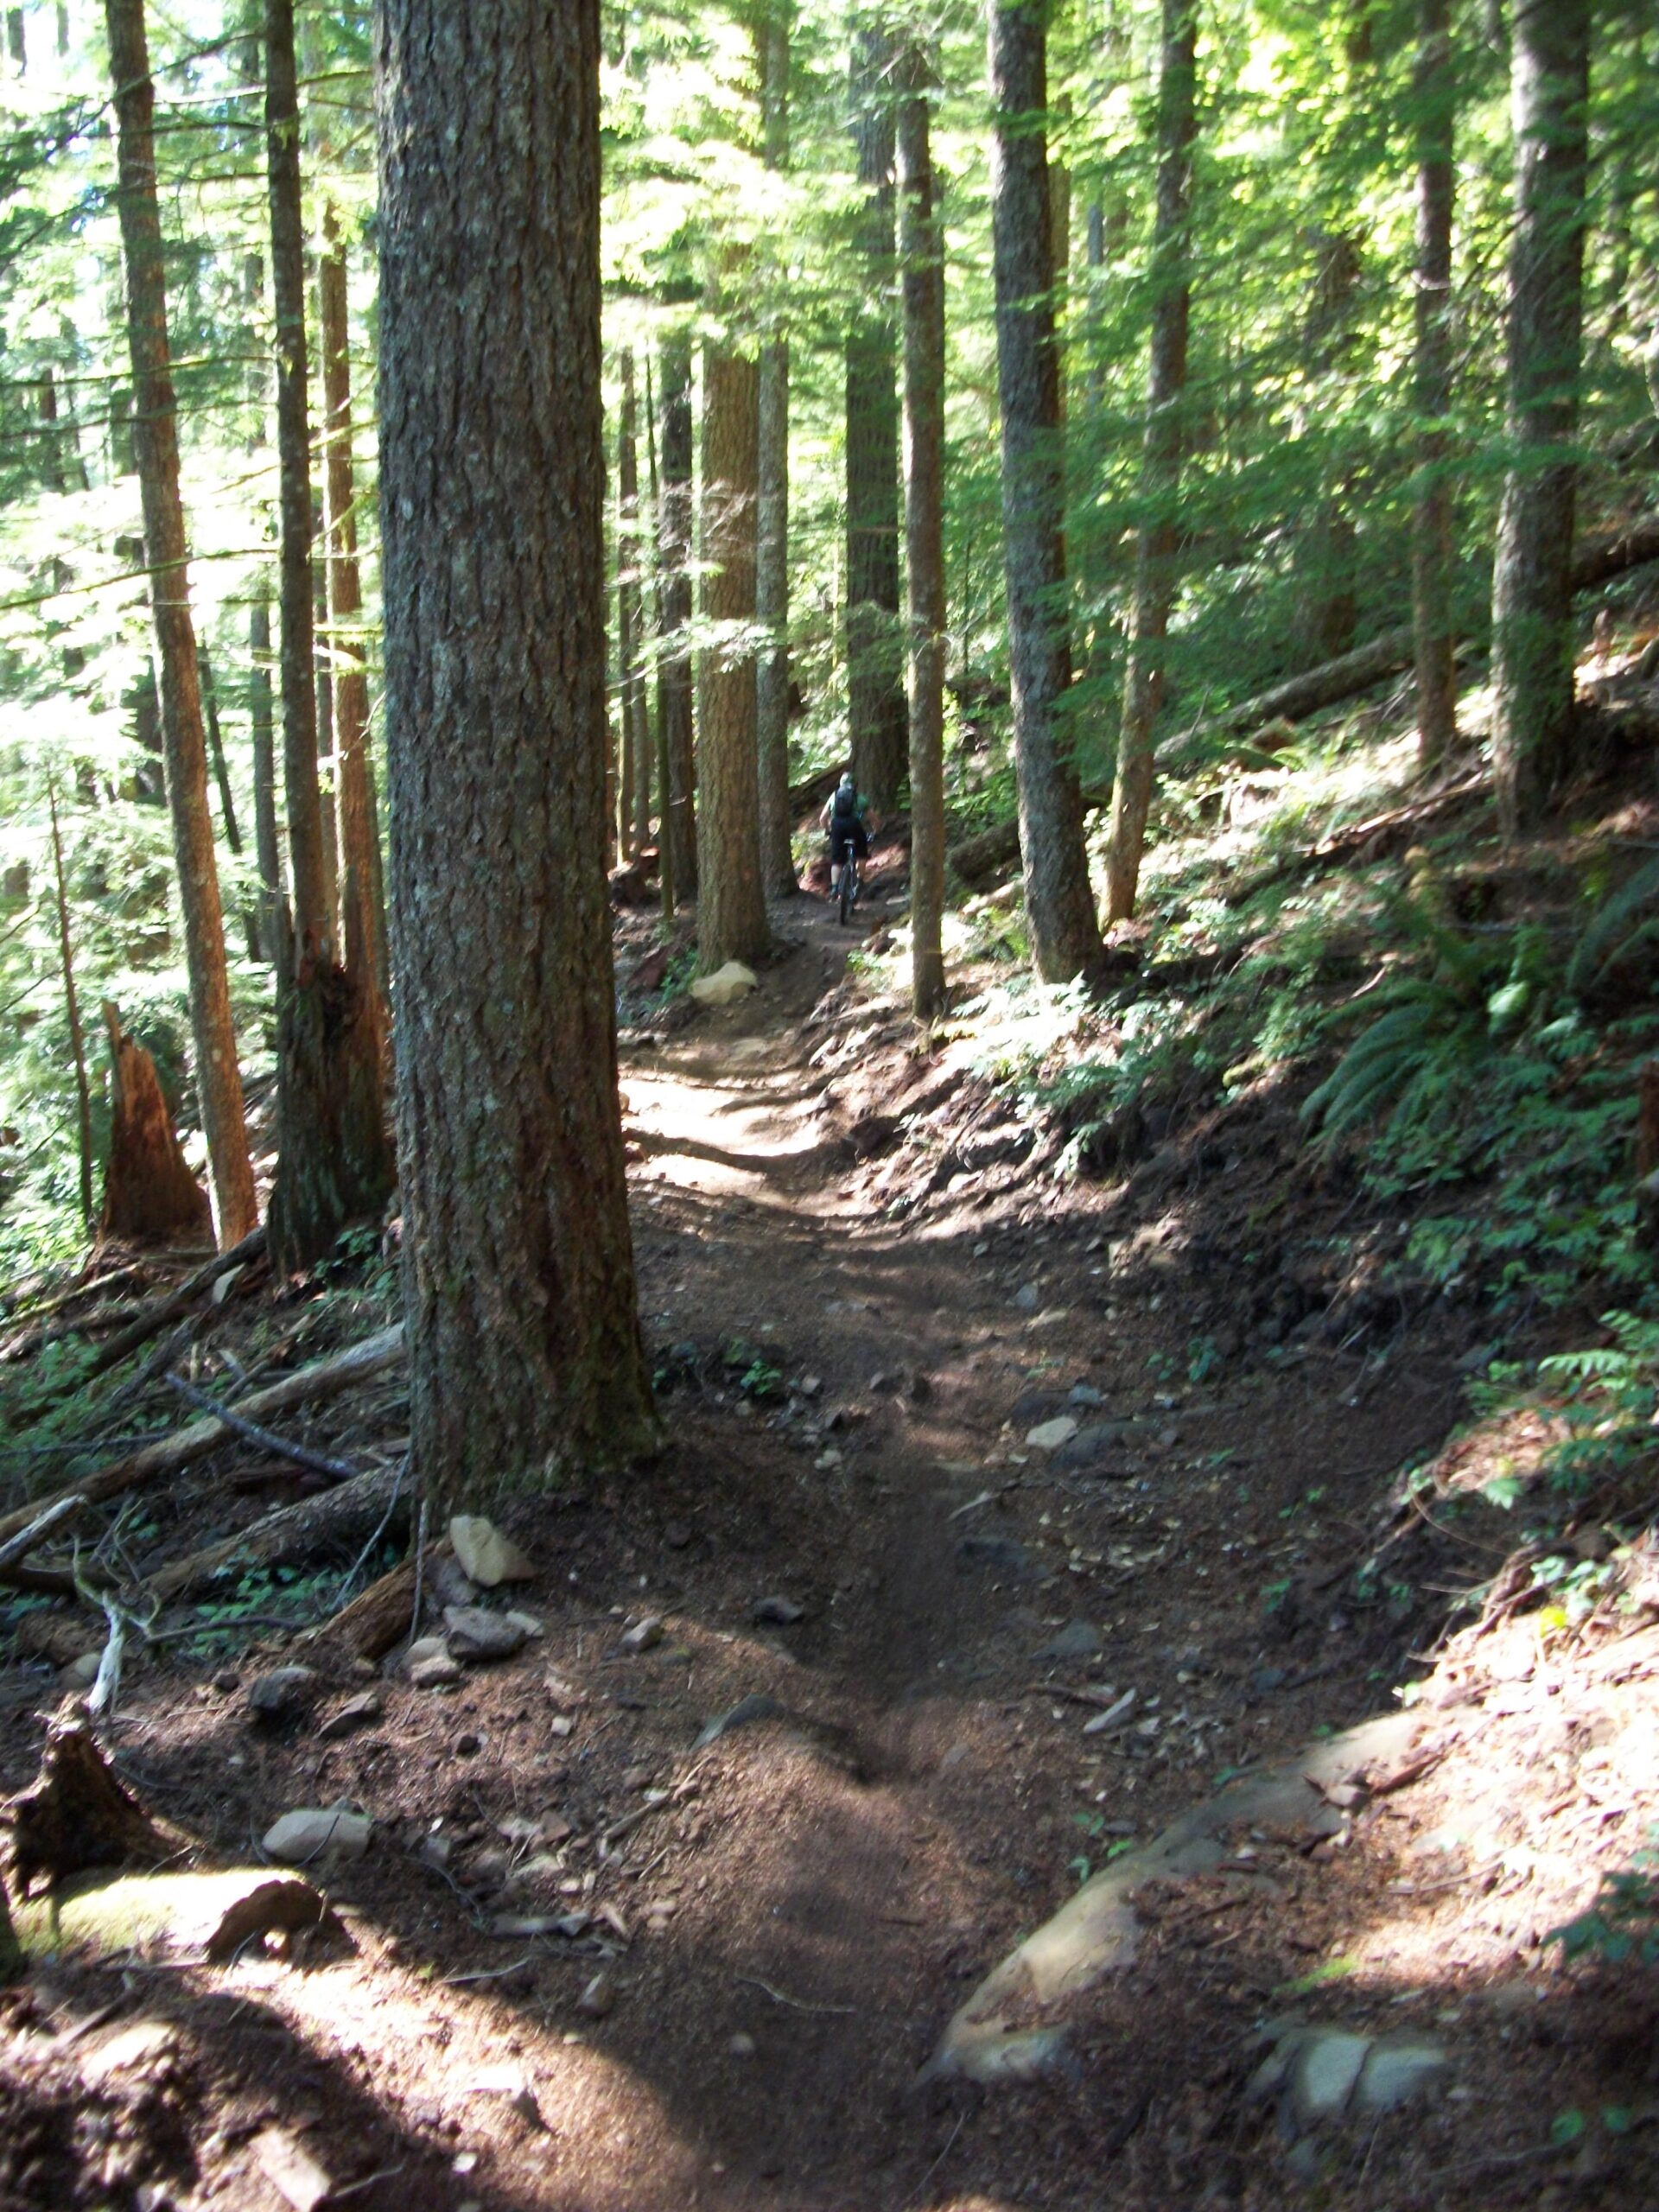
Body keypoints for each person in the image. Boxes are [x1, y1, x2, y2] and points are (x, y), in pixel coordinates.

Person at [820, 772, 869, 901]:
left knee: (837, 860)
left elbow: (822, 818)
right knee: (861, 854)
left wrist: (828, 830)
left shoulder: (834, 796)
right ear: (854, 785)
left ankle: (835, 888)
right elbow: (874, 818)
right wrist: (877, 829)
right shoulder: (859, 798)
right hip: (854, 825)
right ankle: (860, 881)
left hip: (837, 826)